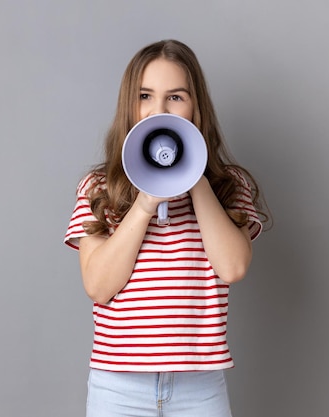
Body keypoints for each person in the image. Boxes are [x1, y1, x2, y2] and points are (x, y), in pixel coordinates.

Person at [64, 39, 270, 417]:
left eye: (175, 97)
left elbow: (233, 267)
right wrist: (144, 203)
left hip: (200, 385)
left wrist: (194, 177)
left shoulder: (228, 185)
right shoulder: (99, 187)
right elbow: (98, 285)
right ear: (130, 103)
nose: (158, 109)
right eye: (145, 95)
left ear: (196, 108)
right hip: (118, 386)